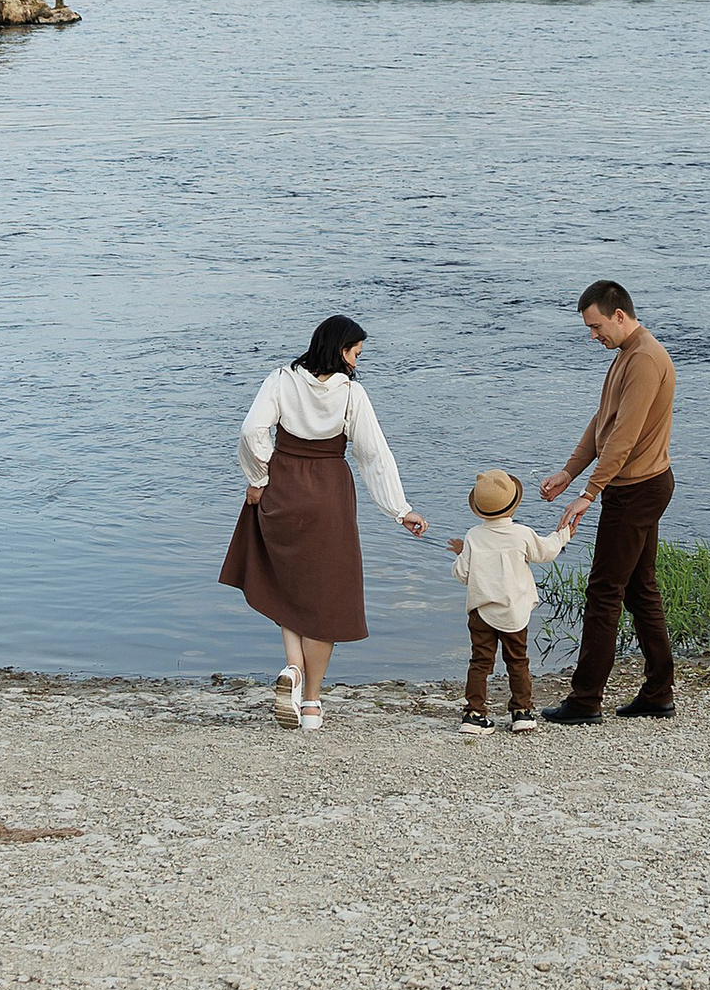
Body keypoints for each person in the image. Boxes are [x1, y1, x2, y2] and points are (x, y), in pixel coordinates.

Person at [221, 313, 428, 732]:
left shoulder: (280, 379)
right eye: (355, 353)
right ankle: (312, 702)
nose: (358, 362)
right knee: (327, 594)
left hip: (284, 487)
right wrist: (399, 509)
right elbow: (374, 455)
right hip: (330, 494)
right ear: (339, 350)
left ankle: (293, 670)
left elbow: (250, 431)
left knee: (287, 582)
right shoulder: (352, 394)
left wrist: (258, 479)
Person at [537, 280, 677, 723]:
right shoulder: (624, 356)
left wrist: (587, 494)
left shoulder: (645, 359)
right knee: (640, 591)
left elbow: (624, 437)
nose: (593, 336)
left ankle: (584, 701)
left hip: (636, 490)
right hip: (634, 486)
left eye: (596, 326)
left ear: (619, 315)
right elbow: (603, 420)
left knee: (603, 592)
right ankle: (658, 693)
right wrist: (568, 471)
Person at [448, 470, 579, 735]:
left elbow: (462, 575)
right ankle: (522, 712)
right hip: (514, 613)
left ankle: (474, 715)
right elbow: (546, 552)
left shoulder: (473, 536)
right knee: (518, 661)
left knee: (480, 662)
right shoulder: (522, 534)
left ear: (479, 509)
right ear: (513, 504)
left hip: (482, 612)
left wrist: (462, 554)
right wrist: (564, 534)